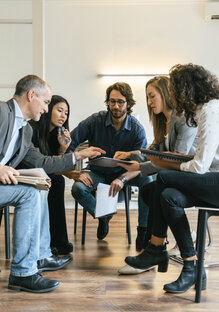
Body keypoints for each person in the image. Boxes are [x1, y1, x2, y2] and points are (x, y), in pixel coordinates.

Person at [0, 75, 105, 293]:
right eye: (46, 102)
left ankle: (37, 258)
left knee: (38, 188)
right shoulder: (2, 112)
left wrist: (77, 155)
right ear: (31, 95)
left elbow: (41, 162)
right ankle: (23, 272)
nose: (47, 109)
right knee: (29, 194)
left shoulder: (25, 130)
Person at [123, 63, 219, 294]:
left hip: (215, 179)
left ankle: (156, 248)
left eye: (174, 89)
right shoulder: (202, 110)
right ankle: (192, 267)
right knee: (164, 195)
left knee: (164, 178)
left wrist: (166, 163)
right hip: (210, 176)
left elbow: (199, 165)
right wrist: (167, 160)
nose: (172, 95)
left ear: (185, 89)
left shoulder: (211, 110)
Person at [115, 76, 197, 273]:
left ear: (167, 94)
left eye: (152, 96)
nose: (149, 102)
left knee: (159, 185)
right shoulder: (164, 122)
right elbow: (152, 152)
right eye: (147, 97)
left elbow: (176, 161)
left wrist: (139, 168)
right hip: (175, 177)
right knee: (151, 192)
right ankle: (158, 247)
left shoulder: (183, 119)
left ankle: (155, 249)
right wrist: (130, 155)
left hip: (193, 175)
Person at [70, 82, 151, 243]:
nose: (116, 106)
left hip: (124, 174)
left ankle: (143, 232)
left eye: (120, 102)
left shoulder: (136, 129)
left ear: (128, 104)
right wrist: (74, 171)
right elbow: (70, 144)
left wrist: (122, 179)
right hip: (97, 172)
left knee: (147, 181)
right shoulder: (95, 120)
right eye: (112, 101)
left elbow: (142, 164)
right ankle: (104, 215)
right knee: (78, 188)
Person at [29, 95, 74, 255]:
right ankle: (47, 242)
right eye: (60, 110)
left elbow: (57, 165)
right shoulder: (32, 128)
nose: (63, 116)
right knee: (56, 180)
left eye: (66, 113)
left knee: (58, 180)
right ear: (48, 110)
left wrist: (63, 147)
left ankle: (58, 242)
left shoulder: (57, 134)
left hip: (44, 174)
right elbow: (37, 163)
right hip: (27, 172)